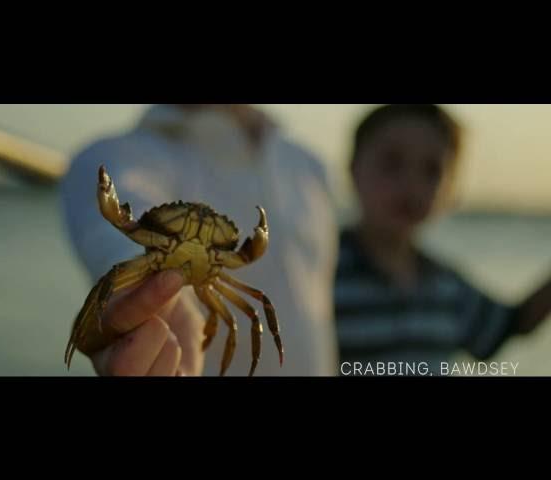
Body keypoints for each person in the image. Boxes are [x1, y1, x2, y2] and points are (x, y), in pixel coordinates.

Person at [61, 104, 339, 376]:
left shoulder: (310, 165)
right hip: (184, 359)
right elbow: (112, 237)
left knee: (250, 315)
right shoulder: (115, 154)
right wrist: (145, 296)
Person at [334, 104, 551, 375]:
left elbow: (510, 325)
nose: (411, 185)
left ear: (451, 190)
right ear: (352, 168)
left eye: (431, 170)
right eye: (392, 162)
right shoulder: (319, 274)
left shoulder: (445, 286)